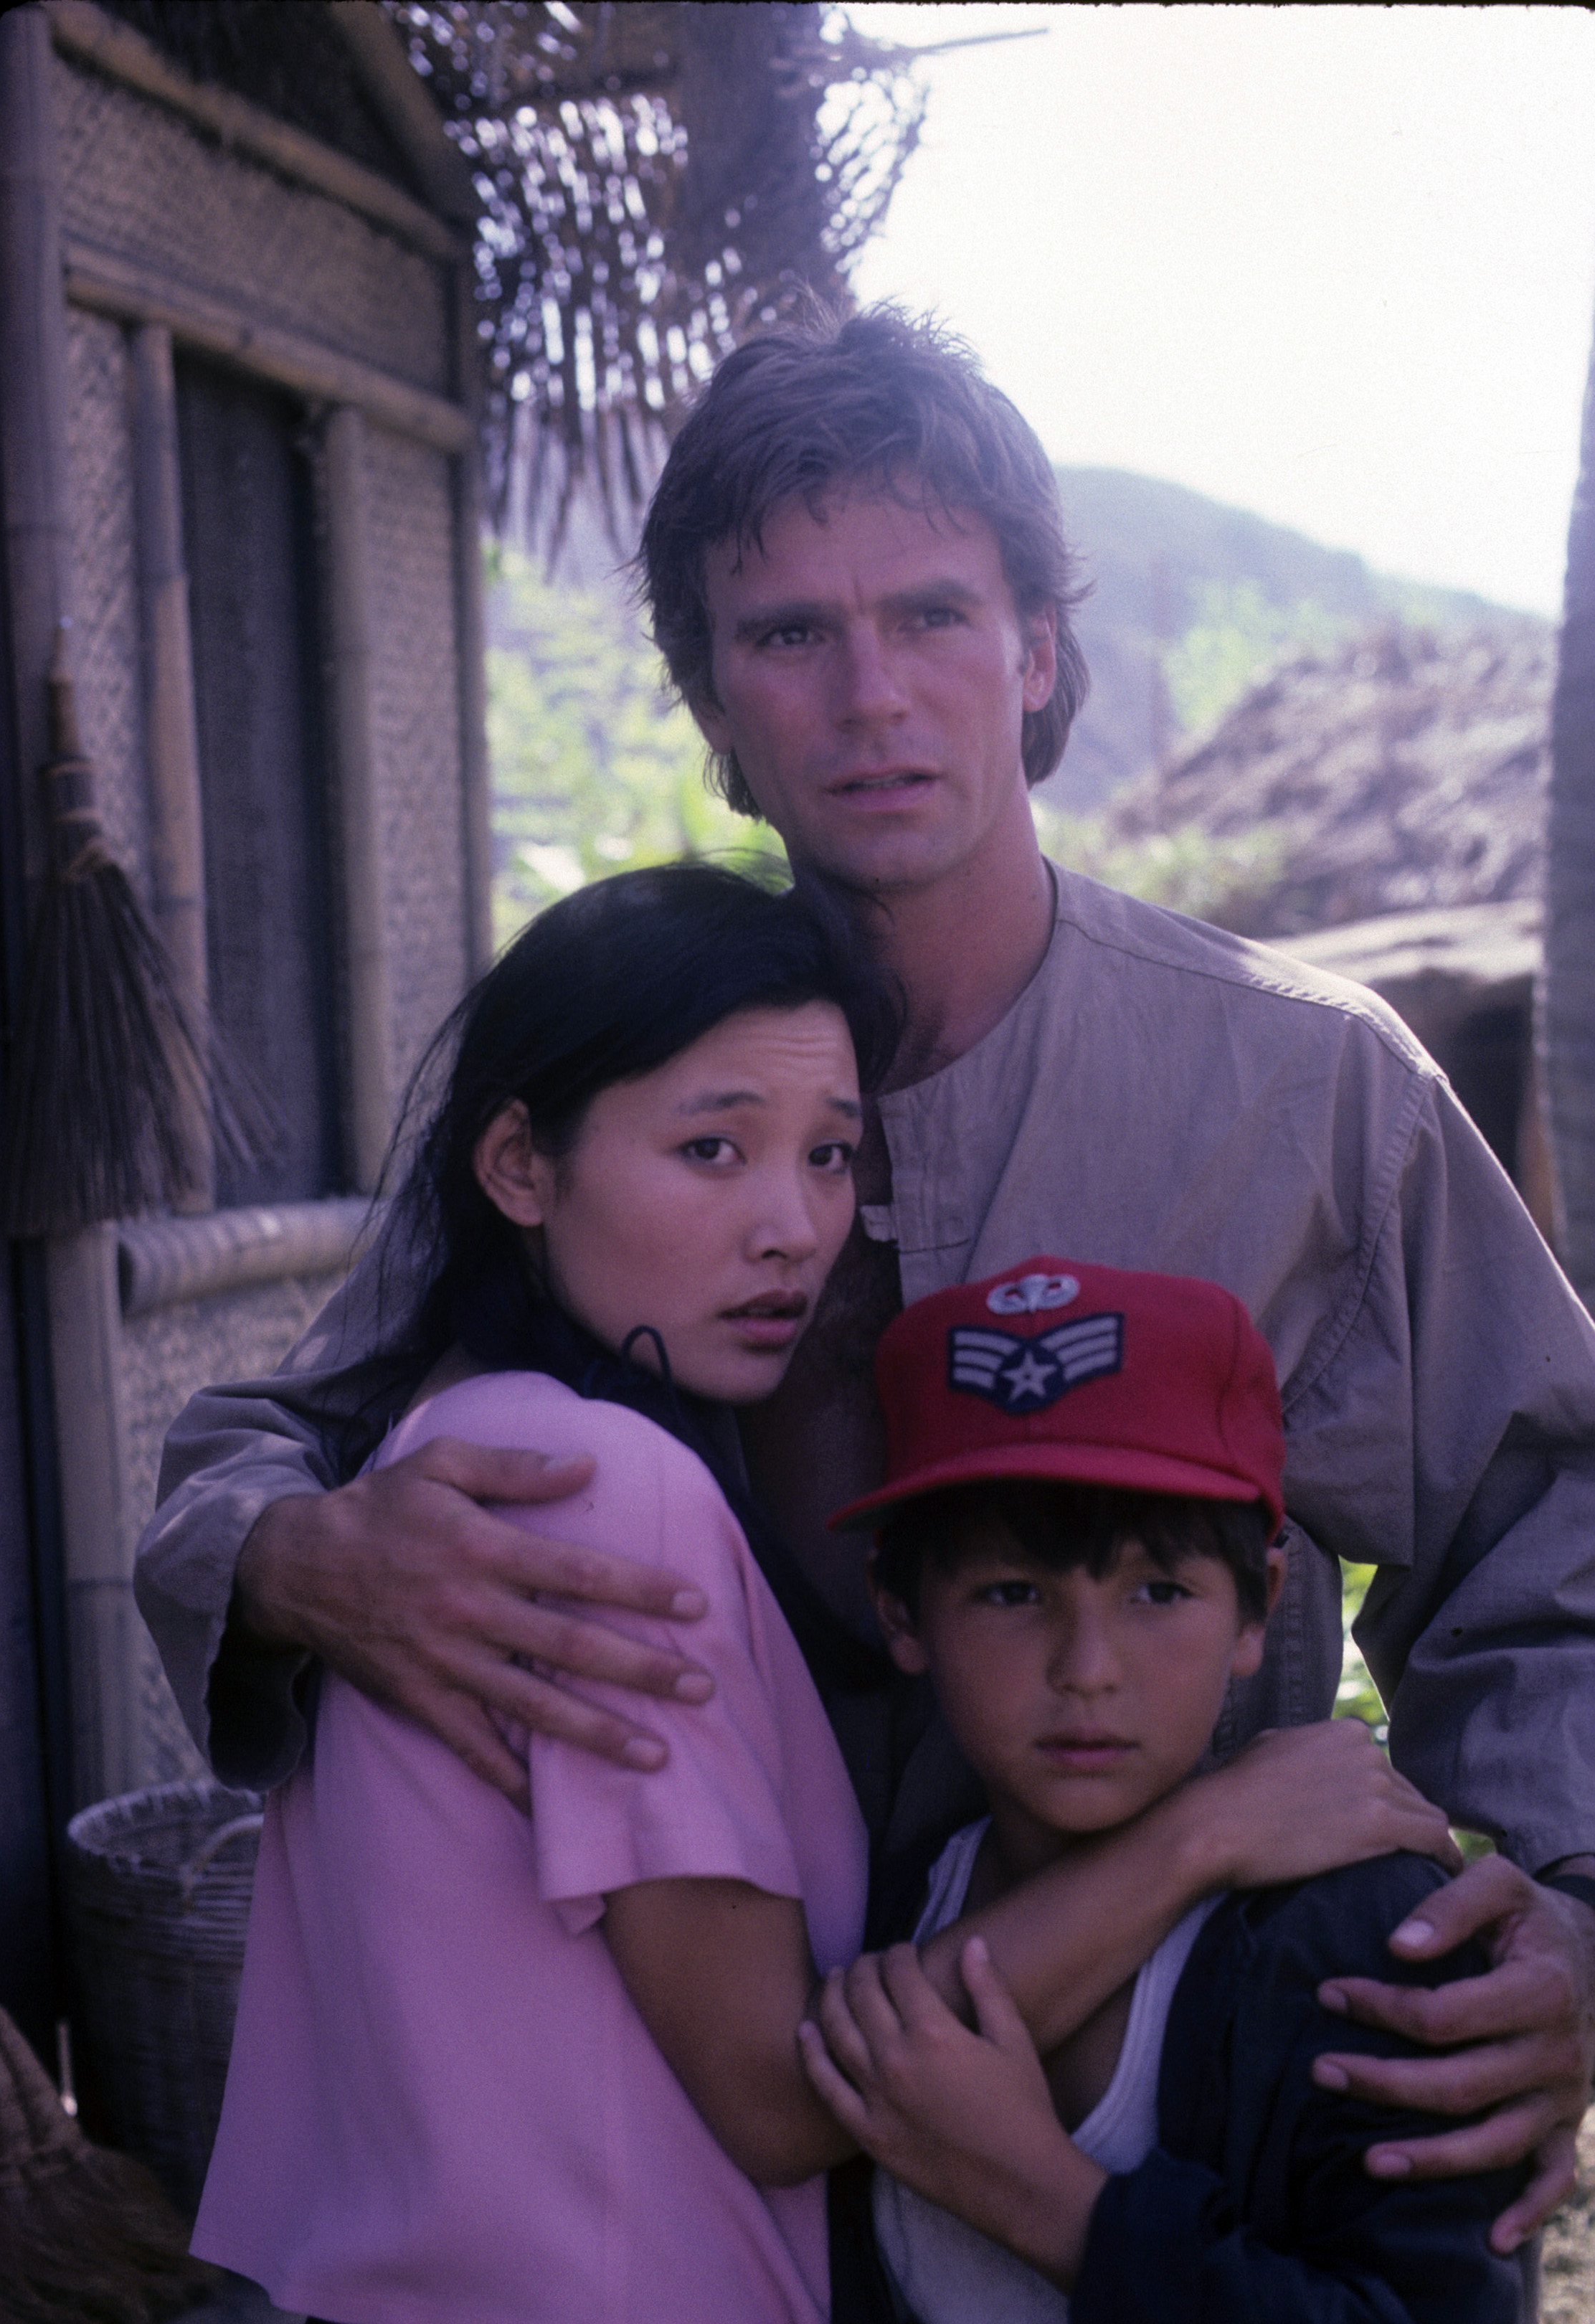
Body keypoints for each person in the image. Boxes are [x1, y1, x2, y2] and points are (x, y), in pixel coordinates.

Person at [136, 307, 1595, 2248]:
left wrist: (1573, 1915)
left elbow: (1539, 1520)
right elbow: (269, 1436)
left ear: (1038, 653)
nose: (871, 695)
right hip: (700, 2139)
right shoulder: (615, 1077)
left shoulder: (1303, 1087)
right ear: (713, 705)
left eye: (928, 615)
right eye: (787, 637)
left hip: (1173, 2114)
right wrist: (298, 1557)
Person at [189, 877, 1444, 2324]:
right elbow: (787, 2097)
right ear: (521, 1166)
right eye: (713, 1148)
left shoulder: (439, 1455)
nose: (795, 1226)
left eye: (831, 1155)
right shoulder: (594, 1490)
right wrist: (1211, 1832)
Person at [802, 1255, 1525, 2323]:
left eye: (1158, 1590)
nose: (1086, 1667)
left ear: (1256, 1607)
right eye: (1011, 1591)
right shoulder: (892, 1913)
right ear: (901, 1611)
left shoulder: (1356, 1944)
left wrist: (1047, 2203)